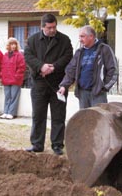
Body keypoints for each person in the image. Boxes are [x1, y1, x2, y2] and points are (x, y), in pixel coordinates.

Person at [24, 13, 73, 155]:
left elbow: (68, 56)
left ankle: (57, 145)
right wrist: (41, 67)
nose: (52, 30)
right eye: (49, 27)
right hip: (39, 82)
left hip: (58, 84)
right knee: (38, 115)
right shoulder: (33, 40)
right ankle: (37, 144)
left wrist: (53, 67)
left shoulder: (64, 40)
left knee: (58, 116)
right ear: (42, 27)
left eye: (54, 27)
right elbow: (27, 56)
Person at [58, 25, 118, 109]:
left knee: (99, 120)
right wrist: (64, 85)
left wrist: (103, 87)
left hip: (98, 94)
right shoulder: (79, 52)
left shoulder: (104, 49)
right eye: (79, 37)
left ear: (91, 36)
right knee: (85, 120)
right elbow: (71, 70)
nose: (80, 39)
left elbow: (113, 70)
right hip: (83, 94)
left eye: (82, 36)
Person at [0, 37, 26, 119]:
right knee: (7, 96)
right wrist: (2, 76)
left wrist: (17, 77)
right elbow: (2, 67)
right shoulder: (5, 55)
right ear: (9, 45)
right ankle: (5, 111)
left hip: (15, 80)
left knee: (14, 97)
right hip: (6, 79)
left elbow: (22, 67)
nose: (13, 46)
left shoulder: (19, 55)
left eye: (14, 44)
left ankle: (11, 113)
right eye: (11, 44)